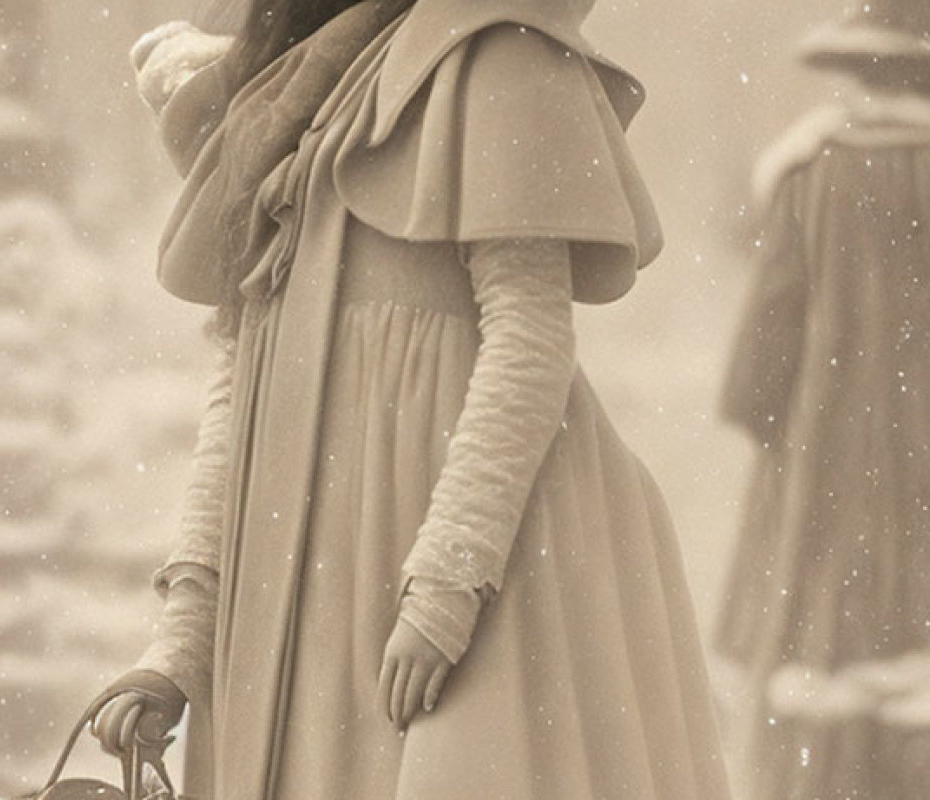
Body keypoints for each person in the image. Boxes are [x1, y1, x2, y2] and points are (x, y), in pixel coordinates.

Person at [89, 0, 732, 797]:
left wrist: (446, 586)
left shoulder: (498, 57)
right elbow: (241, 388)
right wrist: (182, 640)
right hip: (298, 614)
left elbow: (529, 341)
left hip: (478, 588)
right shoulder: (289, 94)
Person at [717, 1, 930, 797]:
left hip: (825, 492)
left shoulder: (811, 180)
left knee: (816, 704)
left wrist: (799, 425)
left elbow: (755, 379)